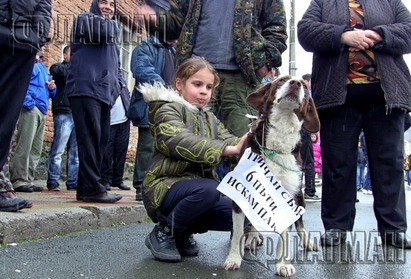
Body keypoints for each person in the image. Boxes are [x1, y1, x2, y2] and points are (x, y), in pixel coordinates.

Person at [298, 0, 411, 248]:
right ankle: (336, 226)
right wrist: (343, 36)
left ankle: (393, 229)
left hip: (386, 97)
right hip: (338, 98)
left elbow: (409, 30)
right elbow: (305, 32)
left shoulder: (390, 2)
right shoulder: (323, 2)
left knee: (389, 164)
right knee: (338, 163)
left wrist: (379, 34)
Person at [140, 57, 248, 262]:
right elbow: (177, 140)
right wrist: (227, 149)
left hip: (199, 191)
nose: (203, 91)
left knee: (242, 214)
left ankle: (182, 231)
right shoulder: (167, 109)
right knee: (209, 189)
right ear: (180, 84)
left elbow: (231, 141)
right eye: (197, 84)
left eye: (209, 87)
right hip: (163, 187)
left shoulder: (210, 119)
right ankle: (165, 231)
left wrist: (251, 145)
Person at [137, 0, 287, 140]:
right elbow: (175, 25)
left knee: (244, 146)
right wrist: (154, 20)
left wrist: (265, 62)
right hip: (196, 75)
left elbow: (277, 30)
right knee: (191, 141)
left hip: (241, 79)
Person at [66, 0, 123, 203]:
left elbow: (117, 67)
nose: (108, 7)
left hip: (104, 94)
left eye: (112, 4)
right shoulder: (85, 19)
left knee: (100, 141)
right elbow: (106, 32)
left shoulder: (112, 36)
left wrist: (118, 88)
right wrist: (114, 22)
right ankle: (92, 188)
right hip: (85, 87)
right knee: (89, 139)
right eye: (103, 2)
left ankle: (85, 188)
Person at [0, 0, 52, 211]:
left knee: (6, 120)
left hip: (22, 44)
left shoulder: (39, 66)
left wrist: (35, 39)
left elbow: (43, 7)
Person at [128, 28, 176, 201]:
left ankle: (160, 185)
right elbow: (140, 69)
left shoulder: (175, 51)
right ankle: (141, 187)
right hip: (151, 104)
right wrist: (164, 89)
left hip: (172, 107)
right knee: (147, 147)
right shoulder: (147, 45)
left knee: (166, 149)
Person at [10, 49, 56, 192]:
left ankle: (28, 180)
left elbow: (50, 92)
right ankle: (19, 180)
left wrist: (52, 88)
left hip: (42, 110)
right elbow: (19, 82)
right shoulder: (28, 62)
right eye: (40, 46)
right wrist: (29, 103)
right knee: (25, 145)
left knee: (36, 148)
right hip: (31, 108)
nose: (42, 48)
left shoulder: (42, 66)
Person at [47, 45, 79, 191]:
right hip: (64, 111)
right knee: (58, 149)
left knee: (75, 153)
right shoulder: (57, 68)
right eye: (72, 54)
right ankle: (53, 180)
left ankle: (72, 181)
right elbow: (63, 75)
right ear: (65, 55)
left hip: (77, 112)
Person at [100, 77, 131, 192]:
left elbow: (127, 96)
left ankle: (118, 180)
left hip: (124, 120)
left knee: (121, 151)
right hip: (109, 121)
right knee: (107, 152)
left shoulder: (122, 80)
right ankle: (106, 180)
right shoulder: (105, 79)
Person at [300, 74, 319, 201]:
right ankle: (310, 191)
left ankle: (302, 190)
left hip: (298, 128)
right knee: (308, 161)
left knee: (298, 160)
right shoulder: (307, 95)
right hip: (304, 127)